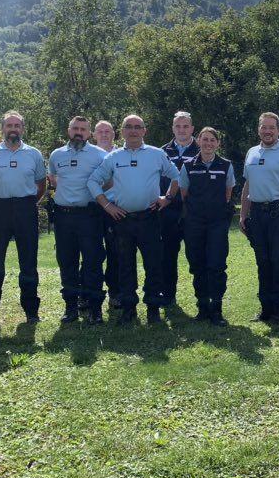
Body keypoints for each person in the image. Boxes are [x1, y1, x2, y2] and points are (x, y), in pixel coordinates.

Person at [87, 115, 180, 324]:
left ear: (144, 131)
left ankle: (153, 309)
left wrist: (168, 198)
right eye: (128, 127)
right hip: (123, 220)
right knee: (125, 266)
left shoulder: (157, 154)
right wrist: (107, 206)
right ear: (122, 131)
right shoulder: (113, 157)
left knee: (153, 265)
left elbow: (177, 176)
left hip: (150, 218)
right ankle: (129, 308)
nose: (133, 131)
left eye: (138, 127)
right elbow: (93, 181)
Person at [0, 111, 46, 325]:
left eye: (17, 125)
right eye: (9, 125)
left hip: (26, 208)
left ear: (23, 129)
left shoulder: (34, 154)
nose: (13, 129)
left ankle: (31, 311)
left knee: (28, 262)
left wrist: (26, 204)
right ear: (2, 128)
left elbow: (41, 186)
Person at [240, 112, 279, 323]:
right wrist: (243, 215)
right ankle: (266, 308)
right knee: (263, 261)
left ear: (278, 130)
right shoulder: (251, 153)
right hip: (257, 215)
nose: (267, 131)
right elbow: (247, 186)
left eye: (271, 128)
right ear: (259, 129)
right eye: (264, 127)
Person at [47, 116, 107, 324]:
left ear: (90, 133)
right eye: (75, 128)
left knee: (92, 262)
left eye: (83, 129)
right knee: (67, 262)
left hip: (90, 215)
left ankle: (95, 309)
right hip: (64, 216)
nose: (78, 132)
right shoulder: (57, 155)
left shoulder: (100, 155)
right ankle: (70, 307)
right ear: (68, 130)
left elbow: (108, 182)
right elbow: (53, 179)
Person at [179, 127, 236, 327]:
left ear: (218, 143)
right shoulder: (188, 166)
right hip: (194, 222)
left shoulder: (226, 165)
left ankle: (216, 309)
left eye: (212, 140)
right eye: (205, 139)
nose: (208, 143)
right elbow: (184, 193)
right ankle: (202, 307)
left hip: (217, 222)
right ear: (198, 141)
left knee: (217, 264)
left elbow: (228, 193)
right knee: (197, 264)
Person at [160, 111, 200, 307]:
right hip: (168, 212)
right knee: (167, 256)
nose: (182, 130)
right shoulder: (161, 152)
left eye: (186, 126)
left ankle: (203, 298)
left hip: (195, 213)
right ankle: (168, 297)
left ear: (192, 129)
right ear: (173, 128)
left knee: (197, 256)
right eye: (178, 126)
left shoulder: (203, 149)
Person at [93, 120, 120, 310]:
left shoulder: (122, 154)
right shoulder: (88, 155)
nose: (104, 134)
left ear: (114, 134)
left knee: (115, 252)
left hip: (116, 209)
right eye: (100, 131)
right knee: (91, 253)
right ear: (94, 135)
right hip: (92, 208)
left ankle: (115, 293)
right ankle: (88, 295)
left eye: (107, 131)